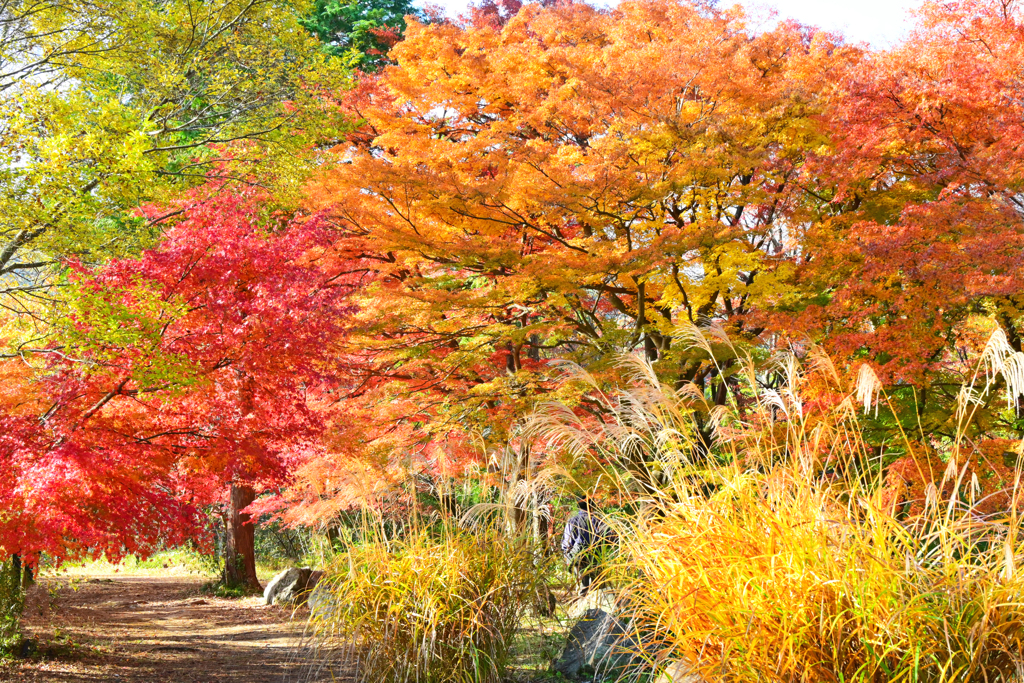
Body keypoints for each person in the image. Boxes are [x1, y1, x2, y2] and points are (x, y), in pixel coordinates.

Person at [560, 494, 612, 596]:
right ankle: (600, 608)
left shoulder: (573, 521)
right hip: (597, 558)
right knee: (600, 588)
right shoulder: (599, 521)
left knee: (583, 589)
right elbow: (609, 539)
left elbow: (567, 543)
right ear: (591, 506)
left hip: (579, 558)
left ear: (578, 506)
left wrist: (567, 558)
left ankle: (584, 608)